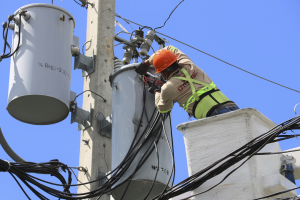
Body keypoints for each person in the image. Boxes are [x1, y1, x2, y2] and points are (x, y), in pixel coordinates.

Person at [134, 46, 239, 119]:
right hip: (232, 107)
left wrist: (157, 90)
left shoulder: (168, 88)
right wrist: (147, 63)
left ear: (163, 72)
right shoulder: (188, 64)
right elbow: (169, 48)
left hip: (214, 115)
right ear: (176, 61)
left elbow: (163, 108)